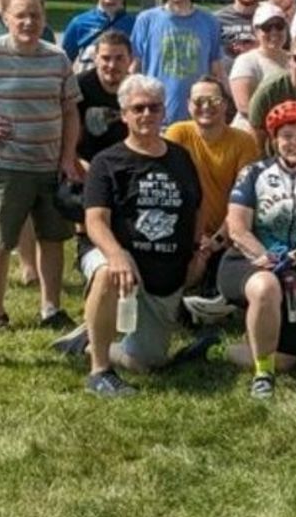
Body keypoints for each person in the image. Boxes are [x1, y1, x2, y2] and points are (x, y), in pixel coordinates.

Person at [185, 100, 296, 398]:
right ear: (274, 140)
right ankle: (262, 374)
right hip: (246, 261)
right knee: (267, 285)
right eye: (286, 136)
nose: (293, 143)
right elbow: (237, 227)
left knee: (288, 360)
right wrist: (265, 257)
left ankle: (217, 348)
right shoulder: (254, 173)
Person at [73, 73, 211, 396]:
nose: (146, 114)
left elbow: (198, 207)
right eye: (138, 108)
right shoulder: (107, 162)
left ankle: (88, 340)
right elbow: (94, 221)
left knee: (147, 361)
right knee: (108, 272)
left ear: (164, 112)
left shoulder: (180, 157)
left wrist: (194, 252)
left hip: (164, 275)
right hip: (120, 263)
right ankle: (99, 371)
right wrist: (117, 254)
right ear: (124, 115)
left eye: (153, 107)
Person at [0, 0, 79, 331]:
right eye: (21, 16)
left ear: (44, 19)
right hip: (7, 166)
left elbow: (70, 110)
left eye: (35, 16)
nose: (28, 22)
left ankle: (51, 308)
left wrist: (68, 157)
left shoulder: (56, 57)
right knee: (0, 241)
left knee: (53, 239)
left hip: (49, 164)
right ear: (6, 18)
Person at [129, 0, 226, 125]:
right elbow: (134, 69)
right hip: (156, 116)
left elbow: (217, 70)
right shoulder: (146, 20)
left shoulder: (209, 21)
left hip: (198, 117)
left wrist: (227, 103)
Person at [163, 76, 260, 237]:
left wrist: (217, 241)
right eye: (199, 101)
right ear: (188, 105)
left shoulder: (243, 141)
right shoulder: (177, 134)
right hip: (181, 234)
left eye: (214, 100)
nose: (206, 106)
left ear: (225, 105)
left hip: (228, 235)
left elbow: (244, 198)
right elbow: (169, 187)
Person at [72, 29, 134, 174]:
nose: (112, 65)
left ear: (130, 59)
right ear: (96, 59)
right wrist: (75, 161)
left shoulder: (138, 89)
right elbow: (66, 131)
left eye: (119, 58)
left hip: (126, 166)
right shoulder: (79, 86)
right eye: (106, 58)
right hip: (86, 164)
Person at [229, 4, 292, 126]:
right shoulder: (246, 61)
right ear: (256, 31)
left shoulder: (295, 60)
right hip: (251, 131)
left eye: (279, 26)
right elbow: (244, 107)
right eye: (267, 27)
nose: (274, 32)